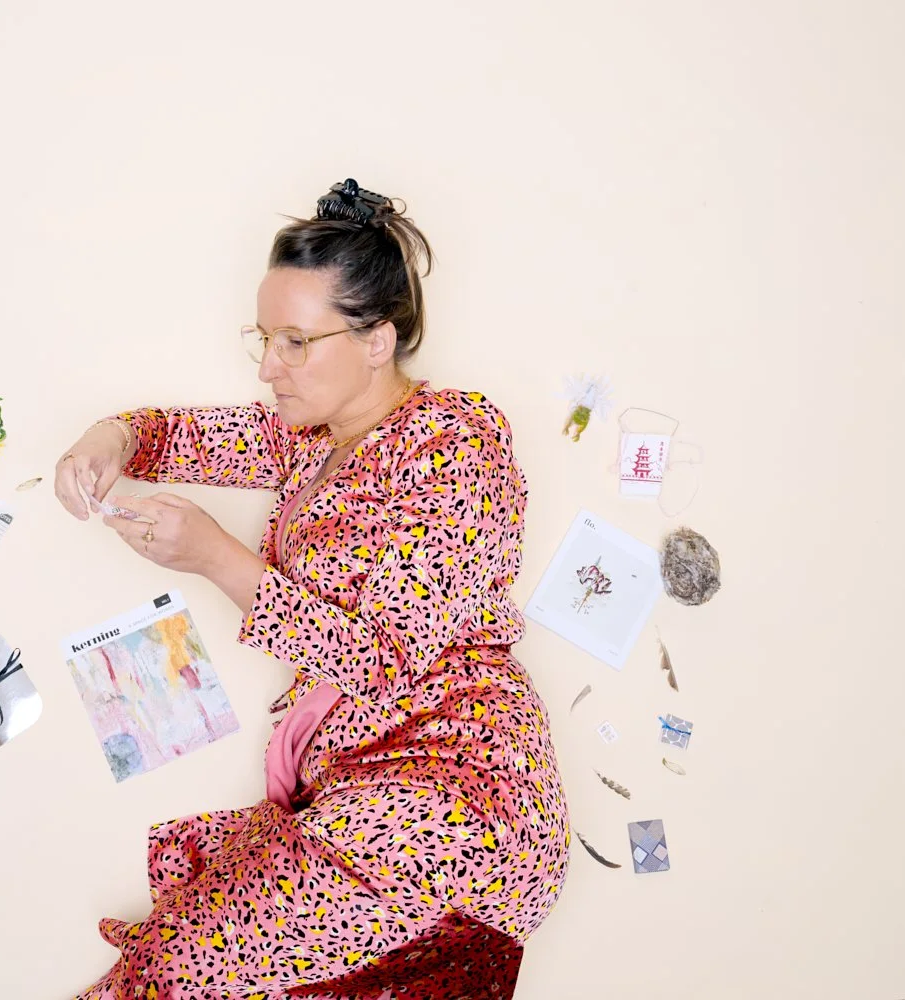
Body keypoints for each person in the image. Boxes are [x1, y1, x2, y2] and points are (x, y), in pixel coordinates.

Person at [56, 179, 569, 1000]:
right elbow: (174, 432)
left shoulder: (455, 439)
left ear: (378, 341)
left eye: (295, 341)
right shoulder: (307, 442)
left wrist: (216, 556)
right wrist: (105, 439)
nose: (268, 367)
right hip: (358, 787)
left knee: (169, 973)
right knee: (176, 961)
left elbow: (381, 662)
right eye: (262, 339)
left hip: (455, 796)